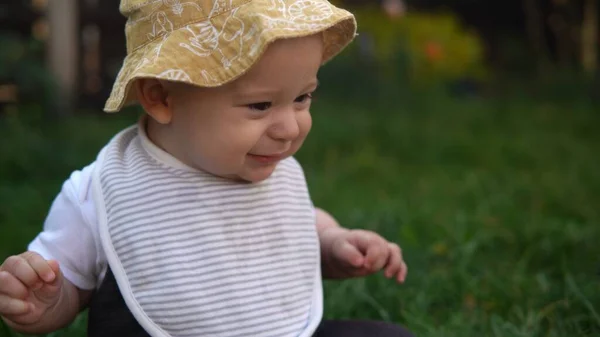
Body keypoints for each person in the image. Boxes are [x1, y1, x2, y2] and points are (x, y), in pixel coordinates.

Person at [0, 0, 414, 336]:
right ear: (161, 96)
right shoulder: (104, 189)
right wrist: (49, 303)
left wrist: (331, 244)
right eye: (260, 105)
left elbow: (291, 223)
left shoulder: (267, 166)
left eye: (303, 98)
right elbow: (69, 280)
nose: (290, 128)